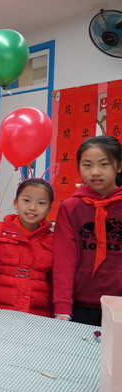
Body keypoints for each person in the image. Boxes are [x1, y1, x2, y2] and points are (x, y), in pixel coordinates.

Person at [54, 136, 122, 326]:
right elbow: (63, 261)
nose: (95, 172)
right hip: (79, 306)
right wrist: (62, 307)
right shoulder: (70, 207)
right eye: (87, 165)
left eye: (104, 164)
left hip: (119, 306)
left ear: (119, 166)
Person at [0, 179, 54, 317]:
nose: (32, 207)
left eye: (41, 203)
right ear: (15, 203)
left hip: (36, 312)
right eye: (26, 200)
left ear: (49, 208)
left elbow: (56, 280)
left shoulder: (53, 239)